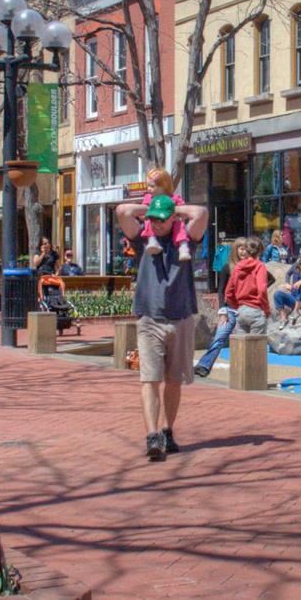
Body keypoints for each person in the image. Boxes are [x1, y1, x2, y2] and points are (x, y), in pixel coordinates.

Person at [115, 193, 209, 461]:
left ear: (173, 219)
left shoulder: (188, 238)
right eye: (152, 219)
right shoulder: (143, 237)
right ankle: (152, 435)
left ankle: (167, 430)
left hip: (180, 317)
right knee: (150, 378)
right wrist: (152, 207)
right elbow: (123, 211)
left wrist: (174, 208)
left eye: (161, 219)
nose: (156, 223)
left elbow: (201, 213)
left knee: (173, 381)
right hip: (149, 317)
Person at [195, 236, 270, 377]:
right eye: (240, 248)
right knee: (221, 337)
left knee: (247, 342)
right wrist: (223, 309)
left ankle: (245, 376)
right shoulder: (229, 267)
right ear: (235, 250)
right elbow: (223, 290)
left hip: (242, 308)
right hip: (231, 309)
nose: (243, 252)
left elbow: (266, 281)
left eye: (245, 249)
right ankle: (204, 365)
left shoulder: (254, 266)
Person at [140, 167, 192, 262]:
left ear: (163, 186)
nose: (148, 189)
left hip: (171, 222)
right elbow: (142, 212)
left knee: (180, 225)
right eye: (148, 186)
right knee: (150, 220)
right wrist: (146, 216)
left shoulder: (174, 198)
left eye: (152, 186)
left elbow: (184, 211)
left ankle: (183, 246)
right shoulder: (148, 198)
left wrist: (177, 215)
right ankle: (152, 240)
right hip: (155, 227)